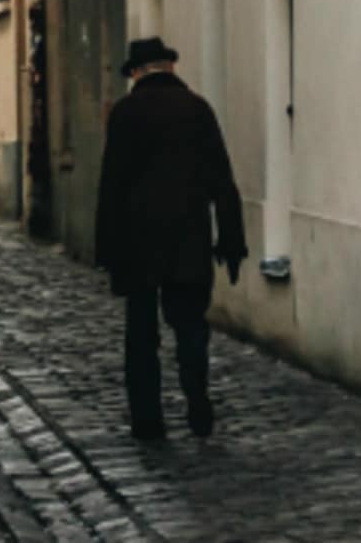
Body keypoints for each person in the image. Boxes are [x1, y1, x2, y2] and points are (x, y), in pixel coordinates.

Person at [94, 36, 247, 441]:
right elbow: (222, 180)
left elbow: (112, 185)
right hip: (188, 237)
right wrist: (231, 240)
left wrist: (106, 248)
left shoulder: (125, 114)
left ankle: (148, 420)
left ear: (137, 73)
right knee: (191, 327)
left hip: (137, 242)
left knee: (142, 335)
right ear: (171, 68)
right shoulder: (197, 110)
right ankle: (197, 399)